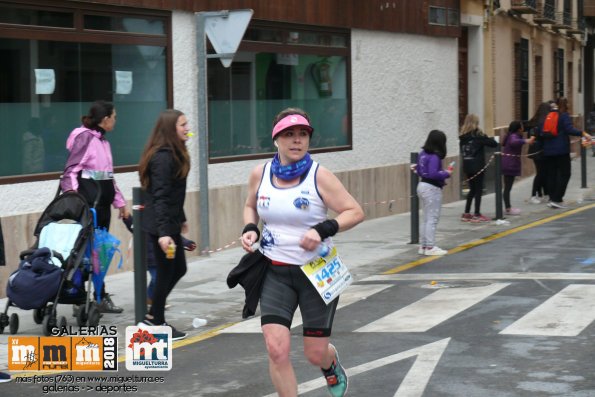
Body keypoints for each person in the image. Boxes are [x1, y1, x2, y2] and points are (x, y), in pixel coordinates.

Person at [241, 107, 364, 397]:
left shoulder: (320, 176)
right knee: (276, 349)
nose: (296, 140)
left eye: (302, 134)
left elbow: (355, 212)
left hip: (316, 273)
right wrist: (250, 228)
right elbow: (250, 205)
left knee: (314, 353)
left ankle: (330, 363)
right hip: (274, 272)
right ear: (276, 139)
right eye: (289, 134)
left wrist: (323, 229)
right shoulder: (260, 174)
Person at [61, 100, 129, 313]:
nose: (117, 120)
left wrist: (120, 202)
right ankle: (79, 296)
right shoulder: (86, 138)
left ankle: (99, 296)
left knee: (100, 252)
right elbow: (71, 171)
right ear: (105, 119)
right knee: (86, 253)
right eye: (115, 117)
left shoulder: (103, 142)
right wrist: (74, 200)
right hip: (89, 207)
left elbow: (107, 176)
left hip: (102, 206)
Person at [138, 109, 191, 341]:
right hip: (161, 227)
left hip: (170, 223)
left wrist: (182, 217)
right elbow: (159, 196)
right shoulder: (162, 157)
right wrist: (163, 233)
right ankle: (155, 320)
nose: (187, 128)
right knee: (167, 270)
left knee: (177, 268)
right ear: (171, 129)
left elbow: (174, 193)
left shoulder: (175, 153)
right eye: (182, 125)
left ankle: (153, 316)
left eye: (186, 124)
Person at [122, 215, 196, 310]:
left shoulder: (160, 224)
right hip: (149, 259)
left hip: (160, 257)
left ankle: (150, 298)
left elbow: (174, 237)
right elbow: (132, 225)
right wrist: (126, 217)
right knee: (157, 279)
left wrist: (187, 243)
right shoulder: (143, 223)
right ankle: (153, 298)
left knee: (157, 279)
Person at [542, 97, 592, 209]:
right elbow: (570, 129)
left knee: (552, 174)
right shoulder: (563, 115)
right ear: (565, 105)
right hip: (561, 150)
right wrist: (583, 133)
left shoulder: (549, 115)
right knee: (565, 174)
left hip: (548, 150)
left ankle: (552, 199)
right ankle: (557, 198)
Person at [415, 130, 452, 256]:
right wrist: (447, 173)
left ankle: (424, 245)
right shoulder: (435, 156)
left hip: (422, 185)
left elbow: (420, 171)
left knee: (426, 218)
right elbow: (433, 174)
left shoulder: (422, 154)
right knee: (432, 218)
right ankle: (430, 247)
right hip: (432, 188)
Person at [459, 114, 497, 223]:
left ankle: (466, 213)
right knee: (478, 190)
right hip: (478, 167)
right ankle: (477, 213)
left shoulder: (462, 137)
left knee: (472, 189)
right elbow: (493, 143)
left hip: (467, 166)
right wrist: (483, 135)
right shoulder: (478, 136)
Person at [500, 121, 535, 215]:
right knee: (507, 187)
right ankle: (508, 208)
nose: (523, 128)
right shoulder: (513, 136)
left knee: (507, 187)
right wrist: (526, 141)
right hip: (509, 164)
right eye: (522, 126)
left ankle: (508, 208)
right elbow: (514, 142)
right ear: (519, 129)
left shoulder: (510, 135)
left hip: (507, 163)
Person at [526, 102, 552, 204]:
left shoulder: (533, 121)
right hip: (540, 151)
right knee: (541, 173)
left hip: (535, 151)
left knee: (542, 173)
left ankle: (543, 194)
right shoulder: (542, 123)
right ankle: (534, 195)